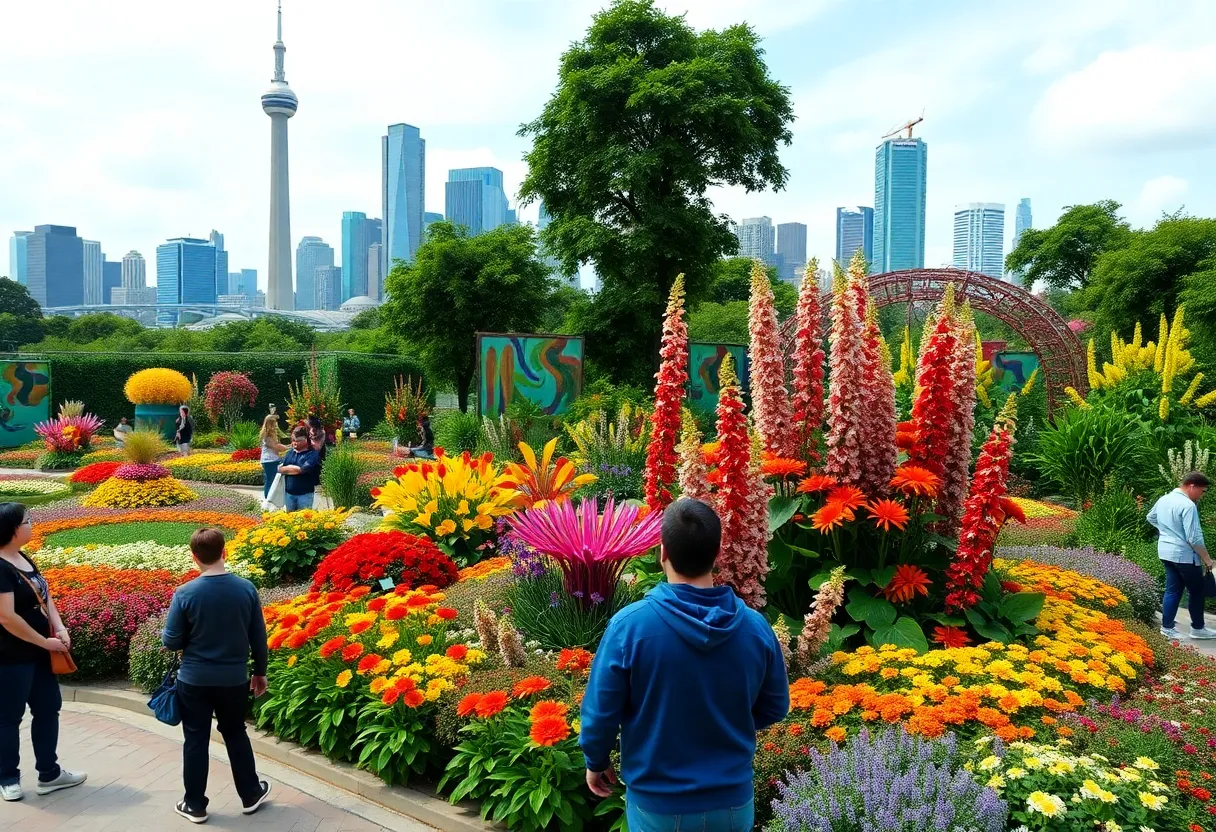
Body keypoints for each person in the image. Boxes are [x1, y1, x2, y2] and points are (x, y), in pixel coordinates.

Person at [580, 497, 789, 831]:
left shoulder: (630, 628)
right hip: (732, 804)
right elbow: (775, 706)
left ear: (662, 551)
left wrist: (597, 760)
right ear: (718, 553)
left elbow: (600, 712)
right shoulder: (755, 628)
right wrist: (725, 722)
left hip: (659, 806)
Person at [162, 528, 271, 824]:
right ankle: (250, 794)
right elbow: (258, 638)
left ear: (194, 557)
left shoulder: (185, 593)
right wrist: (260, 672)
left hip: (194, 680)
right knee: (235, 732)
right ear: (225, 552)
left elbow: (171, 641)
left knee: (195, 739)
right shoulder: (245, 589)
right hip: (234, 679)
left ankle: (194, 804)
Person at [0, 502, 87, 802]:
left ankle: (49, 773)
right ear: (13, 530)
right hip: (10, 657)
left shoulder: (23, 558)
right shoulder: (0, 567)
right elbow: (6, 617)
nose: (32, 523)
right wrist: (43, 641)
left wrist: (59, 628)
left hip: (41, 654)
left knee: (48, 709)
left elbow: (44, 597)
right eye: (27, 520)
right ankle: (8, 778)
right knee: (9, 718)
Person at [1148, 471, 1216, 640]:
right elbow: (1194, 537)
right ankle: (1198, 628)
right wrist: (1207, 559)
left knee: (1173, 589)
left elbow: (1151, 517)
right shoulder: (1187, 505)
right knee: (1197, 591)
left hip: (1165, 551)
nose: (1201, 495)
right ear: (1192, 486)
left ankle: (1167, 627)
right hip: (1184, 555)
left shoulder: (1164, 499)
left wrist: (1167, 531)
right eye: (1202, 491)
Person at [278, 427, 321, 512]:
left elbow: (301, 470)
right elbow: (280, 469)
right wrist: (294, 469)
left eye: (298, 440)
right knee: (289, 521)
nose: (294, 443)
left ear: (306, 440)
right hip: (289, 494)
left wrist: (290, 469)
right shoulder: (290, 453)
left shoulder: (312, 454)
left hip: (305, 495)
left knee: (304, 521)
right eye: (293, 440)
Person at [258, 415, 288, 499]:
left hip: (272, 460)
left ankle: (271, 498)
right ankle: (268, 498)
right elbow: (276, 447)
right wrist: (289, 448)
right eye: (274, 423)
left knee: (271, 480)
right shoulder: (267, 436)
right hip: (269, 461)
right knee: (270, 480)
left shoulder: (269, 434)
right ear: (270, 424)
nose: (276, 426)